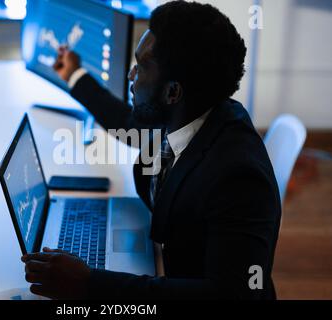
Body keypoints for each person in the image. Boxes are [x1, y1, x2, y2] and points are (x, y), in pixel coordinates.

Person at [22, 0, 281, 300]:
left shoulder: (238, 176)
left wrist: (90, 284)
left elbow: (230, 295)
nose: (131, 76)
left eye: (141, 67)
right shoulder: (188, 114)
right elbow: (129, 124)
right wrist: (74, 75)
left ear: (173, 92)